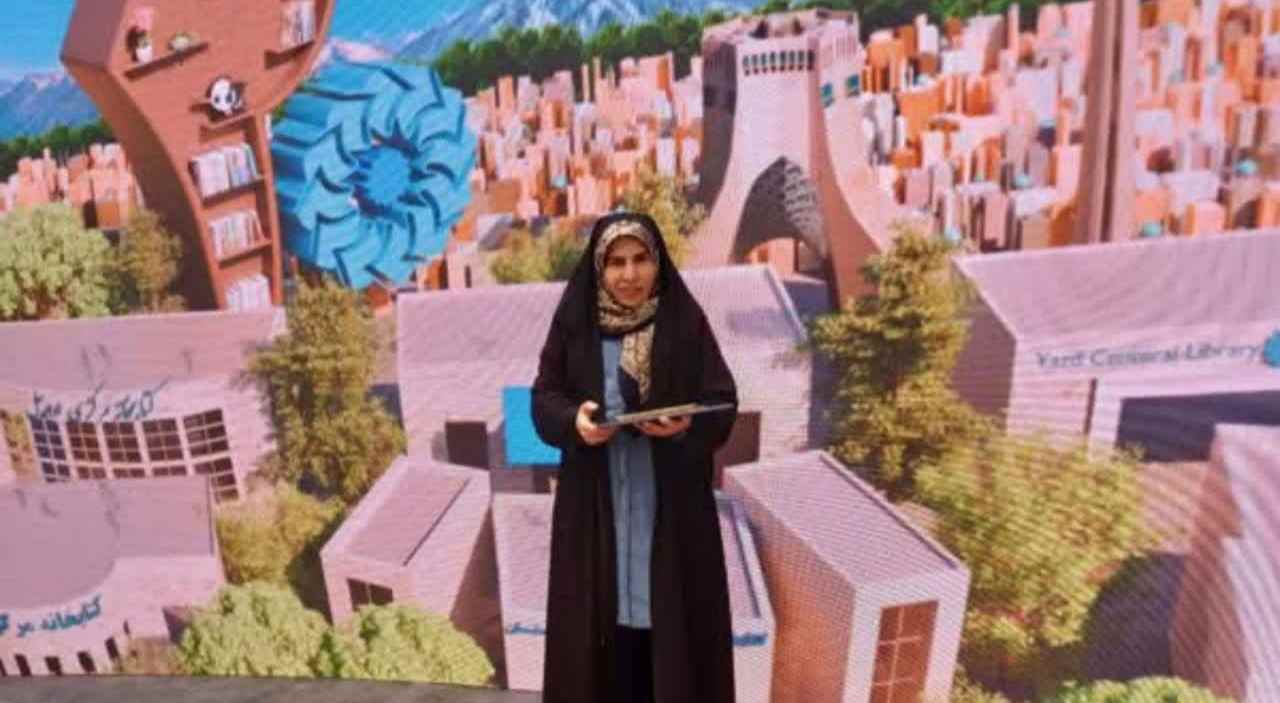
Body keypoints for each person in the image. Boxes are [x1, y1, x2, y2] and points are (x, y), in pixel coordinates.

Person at [532, 211, 739, 703]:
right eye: (616, 262)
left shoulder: (684, 323)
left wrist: (685, 426)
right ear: (599, 269)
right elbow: (544, 398)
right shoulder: (575, 325)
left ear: (658, 262)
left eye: (641, 259)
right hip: (596, 513)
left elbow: (722, 400)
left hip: (669, 513)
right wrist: (576, 423)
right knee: (600, 641)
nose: (629, 274)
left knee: (671, 642)